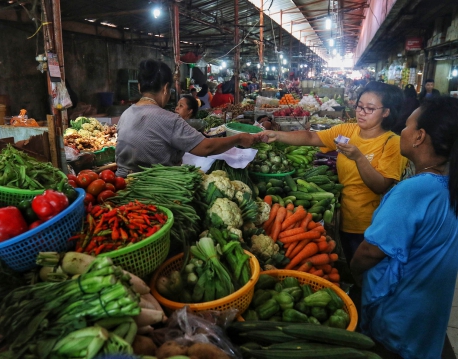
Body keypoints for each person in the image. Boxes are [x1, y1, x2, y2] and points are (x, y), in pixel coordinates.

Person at [350, 96, 458, 359]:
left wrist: (353, 273)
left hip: (400, 311)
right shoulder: (447, 183)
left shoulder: (414, 191)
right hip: (427, 306)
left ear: (420, 137)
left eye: (408, 126)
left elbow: (370, 251)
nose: (402, 132)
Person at [260, 82, 407, 263]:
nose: (361, 112)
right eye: (359, 106)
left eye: (370, 109)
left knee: (365, 273)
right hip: (344, 217)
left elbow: (380, 185)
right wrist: (277, 135)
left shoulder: (392, 143)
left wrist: (359, 158)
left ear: (386, 112)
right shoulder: (347, 130)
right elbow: (312, 137)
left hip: (369, 223)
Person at [115, 59, 262, 177]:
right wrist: (238, 138)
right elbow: (206, 147)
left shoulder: (125, 115)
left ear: (140, 87)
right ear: (166, 88)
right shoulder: (169, 119)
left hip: (122, 186)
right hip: (157, 191)